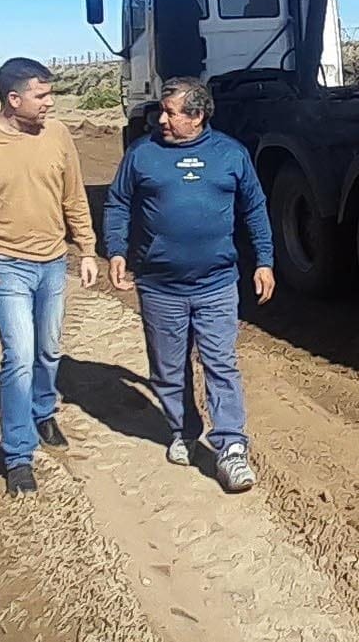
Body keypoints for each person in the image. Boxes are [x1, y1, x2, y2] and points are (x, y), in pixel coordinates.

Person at [103, 77, 274, 494]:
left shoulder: (230, 154)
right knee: (167, 367)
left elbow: (254, 207)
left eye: (170, 112)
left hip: (216, 283)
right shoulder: (142, 154)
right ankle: (183, 429)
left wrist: (264, 261)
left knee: (220, 363)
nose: (160, 119)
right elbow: (118, 203)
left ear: (197, 116)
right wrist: (116, 250)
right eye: (162, 111)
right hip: (159, 286)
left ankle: (231, 447)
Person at [0, 56, 99, 497]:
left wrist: (87, 249)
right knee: (20, 355)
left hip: (53, 262)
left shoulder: (58, 134)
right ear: (13, 99)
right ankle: (18, 456)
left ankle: (43, 411)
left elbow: (74, 197)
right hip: (4, 265)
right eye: (41, 95)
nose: (50, 102)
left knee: (49, 350)